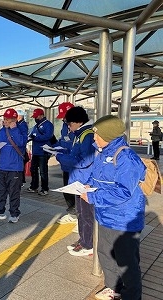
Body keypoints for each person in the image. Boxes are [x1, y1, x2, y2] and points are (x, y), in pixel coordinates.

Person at [80, 115, 146, 300]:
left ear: (107, 135)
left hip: (124, 219)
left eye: (96, 134)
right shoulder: (102, 152)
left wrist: (93, 196)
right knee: (105, 252)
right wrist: (88, 186)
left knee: (127, 262)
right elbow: (97, 177)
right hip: (105, 215)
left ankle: (132, 295)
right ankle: (113, 288)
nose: (93, 138)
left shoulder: (126, 157)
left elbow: (124, 191)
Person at [55, 106, 95, 256]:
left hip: (85, 182)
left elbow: (84, 161)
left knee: (86, 214)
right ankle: (83, 239)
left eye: (69, 124)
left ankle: (88, 244)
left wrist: (61, 157)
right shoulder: (81, 134)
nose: (68, 128)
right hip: (79, 180)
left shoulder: (87, 135)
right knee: (80, 212)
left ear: (78, 122)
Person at [0, 109, 27, 223]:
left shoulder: (21, 129)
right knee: (0, 190)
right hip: (2, 166)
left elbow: (21, 142)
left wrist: (14, 129)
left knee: (14, 192)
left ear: (13, 120)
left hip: (15, 167)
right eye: (4, 119)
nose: (4, 121)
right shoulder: (2, 131)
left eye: (7, 119)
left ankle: (14, 213)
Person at [54, 102, 77, 224]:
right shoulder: (65, 125)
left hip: (76, 166)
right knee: (67, 190)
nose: (63, 119)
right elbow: (63, 140)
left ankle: (79, 216)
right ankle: (72, 213)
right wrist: (55, 147)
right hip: (66, 165)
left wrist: (61, 155)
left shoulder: (80, 128)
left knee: (77, 192)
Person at [27, 108, 54, 196]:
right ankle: (34, 186)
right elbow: (32, 135)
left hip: (44, 151)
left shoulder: (48, 125)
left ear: (41, 115)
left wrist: (36, 138)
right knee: (33, 169)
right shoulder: (36, 126)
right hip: (36, 151)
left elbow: (48, 136)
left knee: (43, 171)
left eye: (36, 116)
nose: (35, 118)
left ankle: (44, 188)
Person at [16, 109, 29, 186]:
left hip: (21, 149)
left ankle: (21, 180)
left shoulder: (22, 125)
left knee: (20, 165)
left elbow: (23, 138)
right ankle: (21, 180)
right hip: (19, 148)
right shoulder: (19, 124)